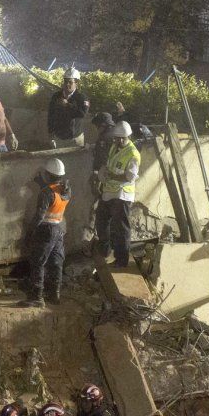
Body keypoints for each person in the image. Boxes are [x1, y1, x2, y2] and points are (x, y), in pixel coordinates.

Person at [22, 158, 71, 308]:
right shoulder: (66, 189)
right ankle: (54, 294)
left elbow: (39, 216)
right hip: (59, 229)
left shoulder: (45, 193)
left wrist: (29, 232)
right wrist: (42, 184)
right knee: (56, 262)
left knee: (38, 262)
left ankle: (36, 297)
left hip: (46, 230)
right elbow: (54, 195)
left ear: (48, 175)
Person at [94, 122, 139, 268]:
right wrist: (102, 174)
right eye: (117, 138)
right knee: (101, 220)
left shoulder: (133, 154)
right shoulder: (114, 146)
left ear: (128, 136)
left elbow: (130, 177)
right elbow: (109, 163)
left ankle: (121, 260)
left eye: (122, 138)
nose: (118, 140)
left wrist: (112, 176)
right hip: (109, 191)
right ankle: (105, 251)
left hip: (122, 194)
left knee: (121, 228)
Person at [47, 69, 90, 148]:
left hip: (75, 139)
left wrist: (67, 105)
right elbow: (51, 115)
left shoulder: (81, 97)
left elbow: (82, 114)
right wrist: (50, 133)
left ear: (76, 83)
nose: (67, 84)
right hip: (59, 138)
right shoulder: (56, 96)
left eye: (70, 82)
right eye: (65, 81)